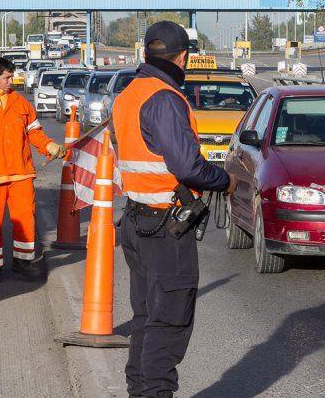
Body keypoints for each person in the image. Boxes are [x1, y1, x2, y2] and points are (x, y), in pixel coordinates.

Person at [111, 22, 236, 398]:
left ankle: (140, 392)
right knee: (169, 321)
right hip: (165, 227)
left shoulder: (129, 93)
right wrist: (224, 180)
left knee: (147, 317)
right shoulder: (164, 98)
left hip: (138, 220)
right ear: (183, 58)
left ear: (146, 53)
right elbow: (187, 166)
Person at [0, 57, 66, 283]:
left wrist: (50, 146)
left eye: (11, 76)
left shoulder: (20, 103)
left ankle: (22, 263)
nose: (11, 81)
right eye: (6, 77)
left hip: (21, 172)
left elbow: (35, 132)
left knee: (25, 220)